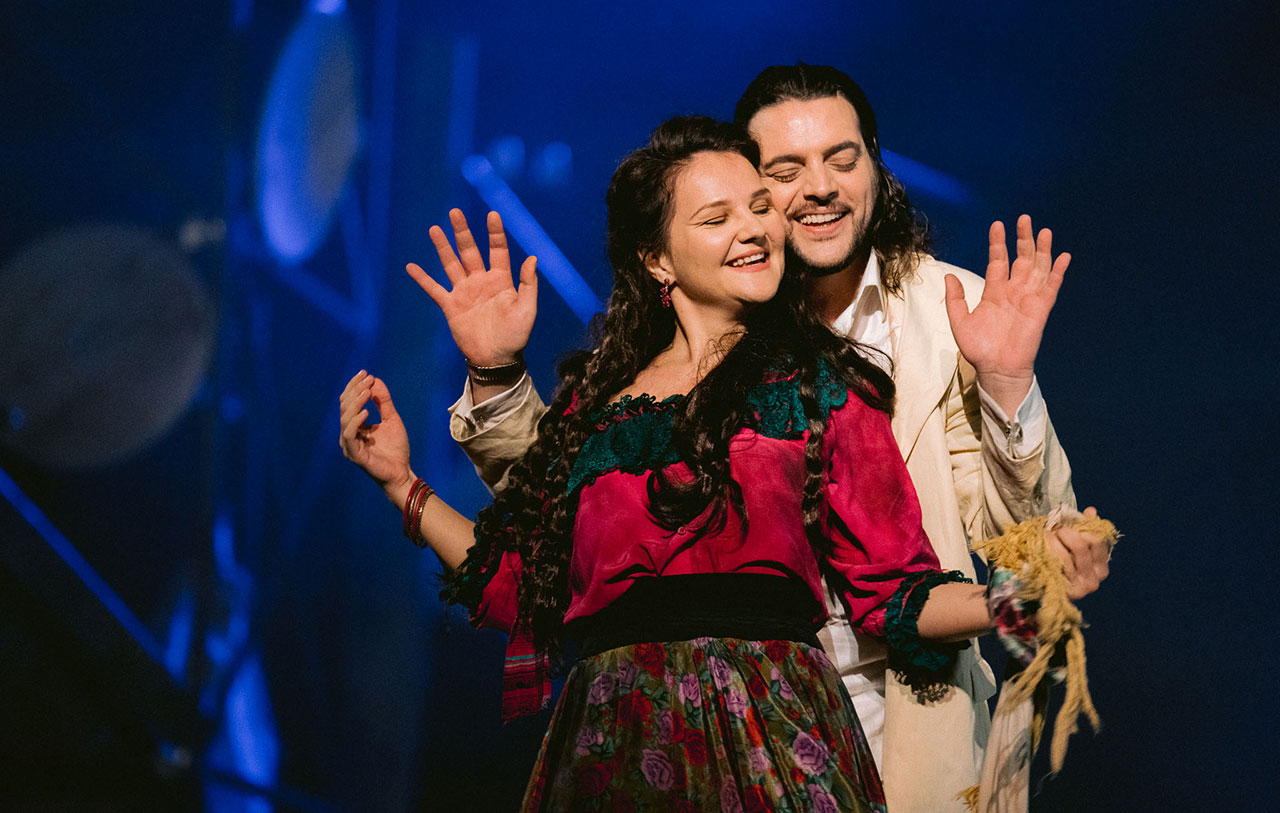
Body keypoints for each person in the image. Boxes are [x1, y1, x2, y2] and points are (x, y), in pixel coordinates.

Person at [340, 117, 1080, 811]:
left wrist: (1017, 599)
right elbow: (524, 588)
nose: (754, 228)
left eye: (759, 207)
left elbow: (896, 591)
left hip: (773, 729)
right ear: (657, 258)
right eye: (716, 217)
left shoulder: (820, 387)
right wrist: (402, 484)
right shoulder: (593, 411)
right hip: (615, 738)